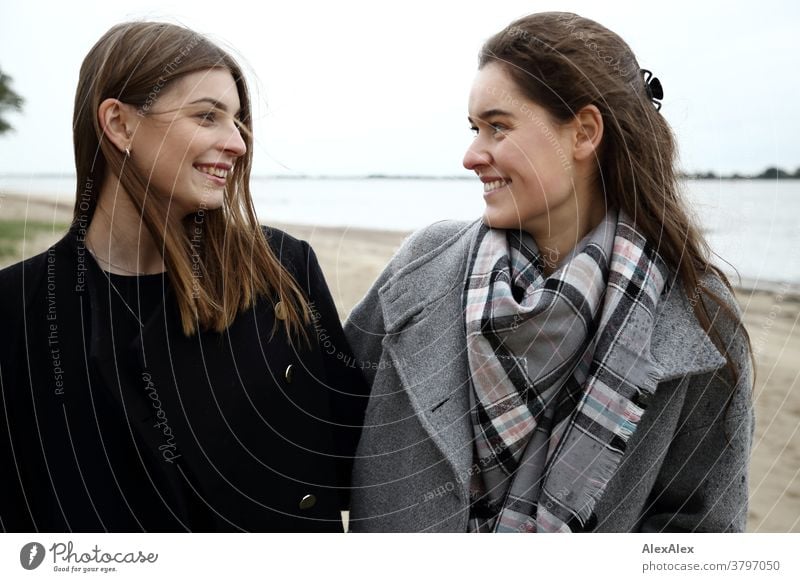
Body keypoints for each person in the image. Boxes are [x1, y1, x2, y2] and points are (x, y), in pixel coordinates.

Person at [345, 12, 754, 532]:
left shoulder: (698, 313)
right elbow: (321, 428)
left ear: (583, 133)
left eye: (498, 126)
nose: (471, 155)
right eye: (475, 129)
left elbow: (700, 532)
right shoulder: (425, 265)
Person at [0, 21, 366, 532]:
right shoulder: (15, 309)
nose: (237, 143)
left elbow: (360, 454)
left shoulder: (284, 271)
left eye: (238, 121)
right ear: (120, 124)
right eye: (207, 116)